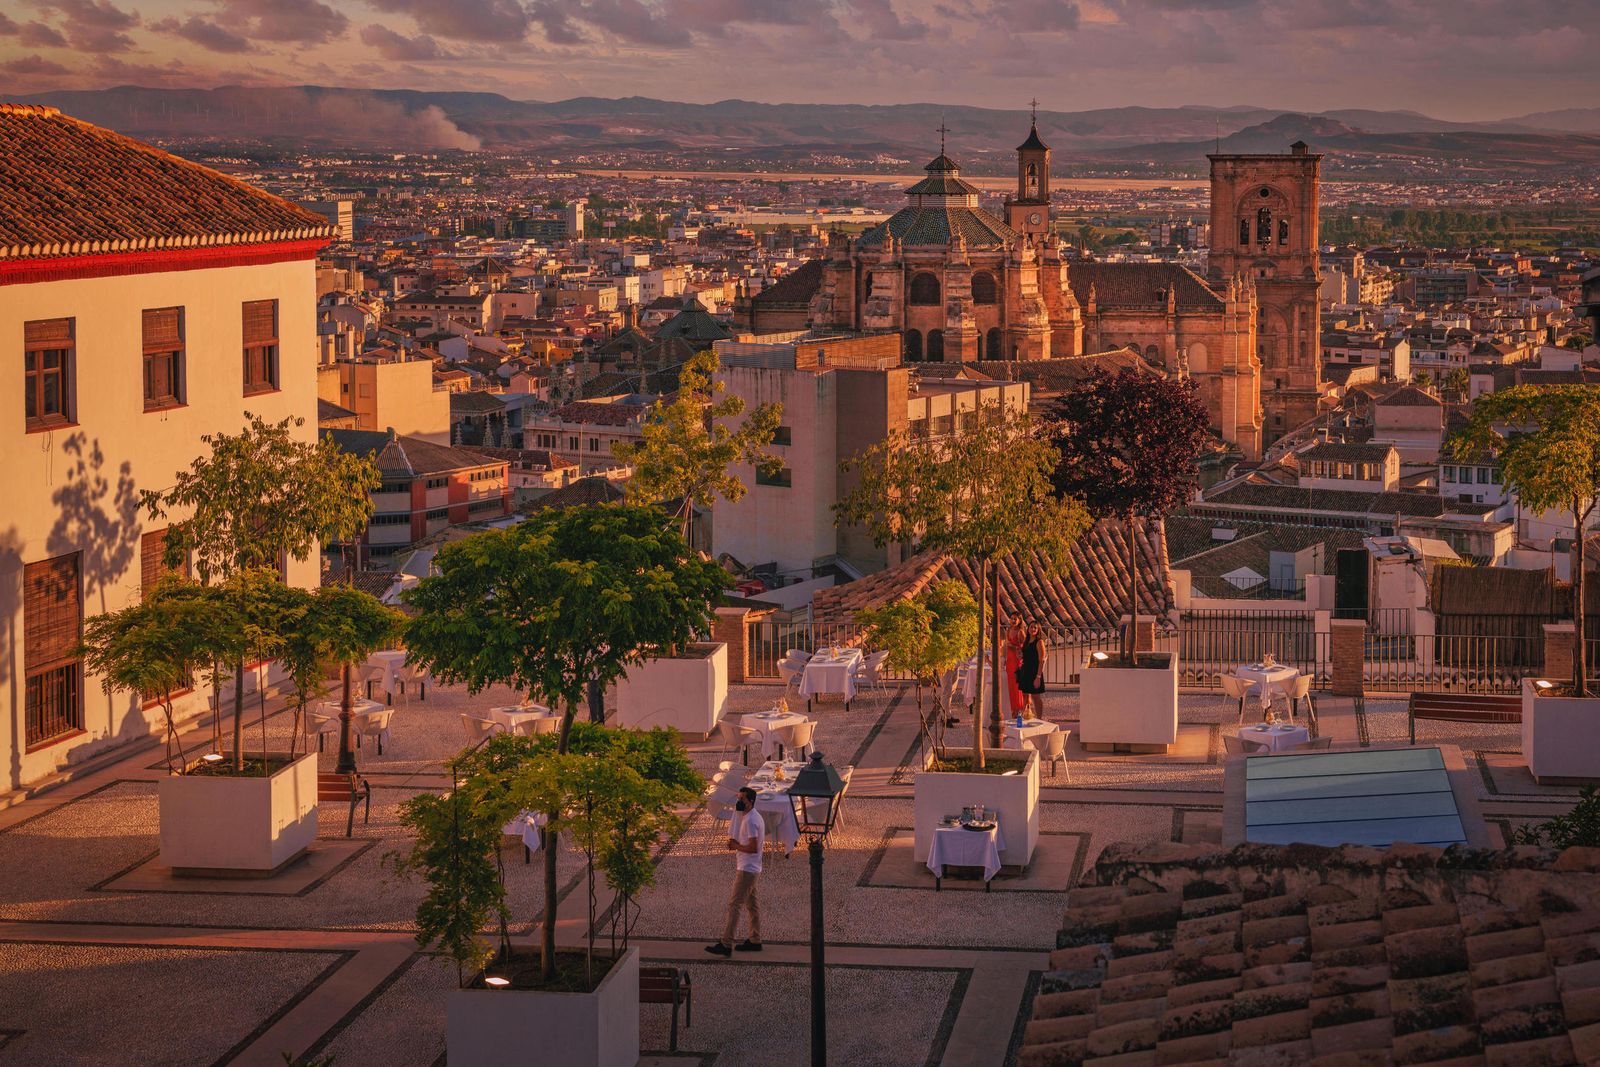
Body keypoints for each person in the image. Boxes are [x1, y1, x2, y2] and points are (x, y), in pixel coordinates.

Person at [707, 785, 764, 956]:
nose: (738, 802)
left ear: (751, 802)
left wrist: (735, 846)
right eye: (738, 798)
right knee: (752, 905)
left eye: (742, 799)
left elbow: (753, 847)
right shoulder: (751, 816)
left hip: (747, 869)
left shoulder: (751, 820)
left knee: (734, 905)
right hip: (752, 868)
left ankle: (726, 944)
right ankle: (755, 940)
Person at [1016, 621, 1048, 718]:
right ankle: (1025, 715)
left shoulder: (1039, 642)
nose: (1033, 629)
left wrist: (1038, 677)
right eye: (1031, 627)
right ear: (1028, 628)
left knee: (1036, 697)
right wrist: (1020, 655)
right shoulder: (1027, 640)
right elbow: (1025, 656)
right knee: (1025, 695)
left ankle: (1039, 718)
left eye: (1035, 628)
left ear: (1038, 630)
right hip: (1026, 670)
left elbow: (1041, 660)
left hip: (1034, 671)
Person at [1004, 616, 1027, 716]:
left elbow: (1025, 646)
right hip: (1009, 659)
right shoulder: (1008, 630)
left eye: (1015, 619)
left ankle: (1019, 708)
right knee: (1011, 685)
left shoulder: (1020, 632)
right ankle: (1013, 709)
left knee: (1017, 685)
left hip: (1017, 660)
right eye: (1011, 618)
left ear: (1019, 620)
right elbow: (1006, 645)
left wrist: (1014, 647)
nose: (1013, 620)